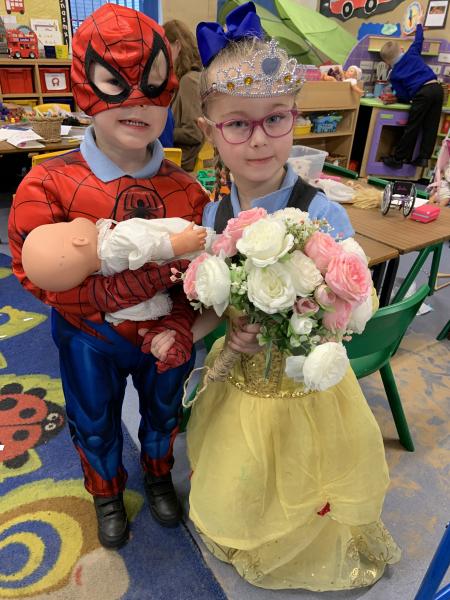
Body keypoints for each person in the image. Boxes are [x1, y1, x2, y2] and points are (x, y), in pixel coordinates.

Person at [185, 2, 401, 591]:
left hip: (305, 380)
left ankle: (301, 536)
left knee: (303, 464)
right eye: (238, 124)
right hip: (241, 374)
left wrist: (310, 318)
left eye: (275, 119)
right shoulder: (214, 214)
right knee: (247, 459)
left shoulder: (323, 212)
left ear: (295, 118)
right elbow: (218, 298)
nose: (258, 140)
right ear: (210, 131)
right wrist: (226, 325)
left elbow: (353, 304)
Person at [8, 4, 209, 550]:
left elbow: (199, 277)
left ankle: (158, 476)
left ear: (169, 89)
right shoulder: (47, 184)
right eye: (115, 83)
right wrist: (114, 291)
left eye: (151, 84)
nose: (136, 101)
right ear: (85, 85)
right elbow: (36, 272)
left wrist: (182, 323)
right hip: (87, 335)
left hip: (162, 330)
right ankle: (105, 492)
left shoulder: (188, 192)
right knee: (92, 418)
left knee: (165, 412)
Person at [21, 217, 212, 328]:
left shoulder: (105, 275)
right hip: (194, 243)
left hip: (181, 275)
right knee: (216, 247)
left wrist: (163, 306)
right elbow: (150, 244)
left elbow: (138, 308)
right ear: (79, 241)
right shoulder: (116, 240)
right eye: (66, 225)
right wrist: (178, 244)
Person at [380, 20, 443, 169]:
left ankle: (398, 159)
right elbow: (419, 39)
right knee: (431, 126)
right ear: (401, 49)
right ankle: (423, 158)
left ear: (387, 62)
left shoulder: (394, 74)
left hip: (422, 94)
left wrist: (396, 98)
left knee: (412, 127)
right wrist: (419, 26)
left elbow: (405, 95)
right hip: (437, 89)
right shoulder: (412, 53)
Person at [163, 20, 204, 172]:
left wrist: (158, 131)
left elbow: (194, 133)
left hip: (183, 161)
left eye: (165, 48)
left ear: (178, 46)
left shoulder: (189, 80)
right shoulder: (184, 78)